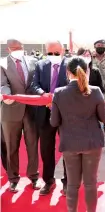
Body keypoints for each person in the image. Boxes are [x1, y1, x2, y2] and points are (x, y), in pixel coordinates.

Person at [50, 57, 105, 212]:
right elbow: (104, 118)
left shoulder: (59, 93)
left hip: (70, 143)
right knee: (90, 183)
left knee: (72, 184)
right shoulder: (95, 91)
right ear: (87, 70)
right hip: (92, 142)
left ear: (67, 72)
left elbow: (54, 122)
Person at [0, 39, 39, 192]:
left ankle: (34, 177)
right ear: (9, 49)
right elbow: (3, 84)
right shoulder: (2, 64)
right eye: (14, 48)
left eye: (20, 47)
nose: (18, 50)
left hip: (31, 111)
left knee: (32, 145)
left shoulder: (33, 61)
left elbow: (35, 83)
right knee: (11, 147)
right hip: (11, 110)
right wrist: (7, 95)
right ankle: (13, 178)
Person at [32, 41, 68, 195]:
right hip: (44, 114)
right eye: (50, 53)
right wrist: (42, 93)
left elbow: (75, 86)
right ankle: (49, 181)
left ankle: (68, 181)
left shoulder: (71, 65)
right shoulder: (40, 66)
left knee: (67, 148)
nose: (53, 56)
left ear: (63, 51)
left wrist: (56, 99)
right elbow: (34, 85)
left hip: (65, 114)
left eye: (56, 53)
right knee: (46, 149)